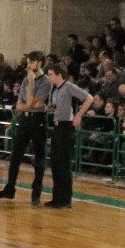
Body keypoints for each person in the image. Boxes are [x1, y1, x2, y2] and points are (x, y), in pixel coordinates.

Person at [0, 53, 49, 205]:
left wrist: (31, 84)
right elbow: (19, 105)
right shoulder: (25, 80)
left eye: (30, 62)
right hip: (25, 119)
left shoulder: (45, 81)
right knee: (15, 155)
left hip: (38, 121)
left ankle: (36, 192)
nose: (27, 66)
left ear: (39, 63)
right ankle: (9, 188)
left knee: (39, 157)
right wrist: (30, 105)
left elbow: (33, 103)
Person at [42, 60, 91, 209]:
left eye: (51, 74)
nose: (49, 77)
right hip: (57, 127)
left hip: (66, 127)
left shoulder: (69, 87)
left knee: (64, 164)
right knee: (55, 162)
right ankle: (57, 197)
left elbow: (89, 98)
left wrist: (79, 115)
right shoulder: (54, 89)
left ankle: (65, 199)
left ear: (59, 74)